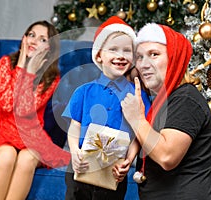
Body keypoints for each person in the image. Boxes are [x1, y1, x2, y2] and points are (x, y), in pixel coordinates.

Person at [0, 20, 71, 200]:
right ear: (24, 39)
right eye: (31, 35)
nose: (33, 41)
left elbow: (24, 109)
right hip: (2, 134)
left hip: (32, 138)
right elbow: (7, 104)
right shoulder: (6, 63)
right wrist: (22, 67)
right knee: (6, 156)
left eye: (42, 39)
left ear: (49, 48)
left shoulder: (51, 77)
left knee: (27, 158)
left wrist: (31, 72)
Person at [120, 23, 211, 199]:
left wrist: (136, 119)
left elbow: (167, 156)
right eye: (140, 57)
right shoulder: (160, 103)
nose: (144, 64)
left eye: (154, 55)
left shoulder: (185, 99)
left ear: (174, 57)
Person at [62, 16, 151, 200]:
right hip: (81, 167)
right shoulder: (83, 92)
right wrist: (75, 152)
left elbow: (138, 134)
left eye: (127, 50)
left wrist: (128, 160)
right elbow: (75, 126)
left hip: (114, 172)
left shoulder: (138, 95)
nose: (120, 55)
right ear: (99, 55)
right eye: (113, 49)